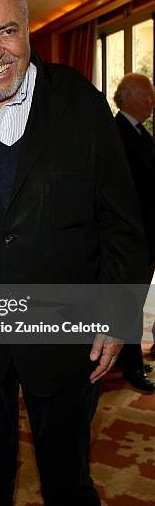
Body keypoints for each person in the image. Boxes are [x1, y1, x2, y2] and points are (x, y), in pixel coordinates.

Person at [0, 0, 148, 506]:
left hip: (69, 327)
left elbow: (122, 221)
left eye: (7, 32)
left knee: (70, 483)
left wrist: (117, 315)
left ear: (28, 31)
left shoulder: (80, 101)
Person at [114, 73, 155, 391]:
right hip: (132, 238)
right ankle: (131, 366)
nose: (152, 101)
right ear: (128, 97)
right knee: (128, 303)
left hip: (146, 234)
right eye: (148, 94)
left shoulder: (140, 133)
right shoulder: (117, 133)